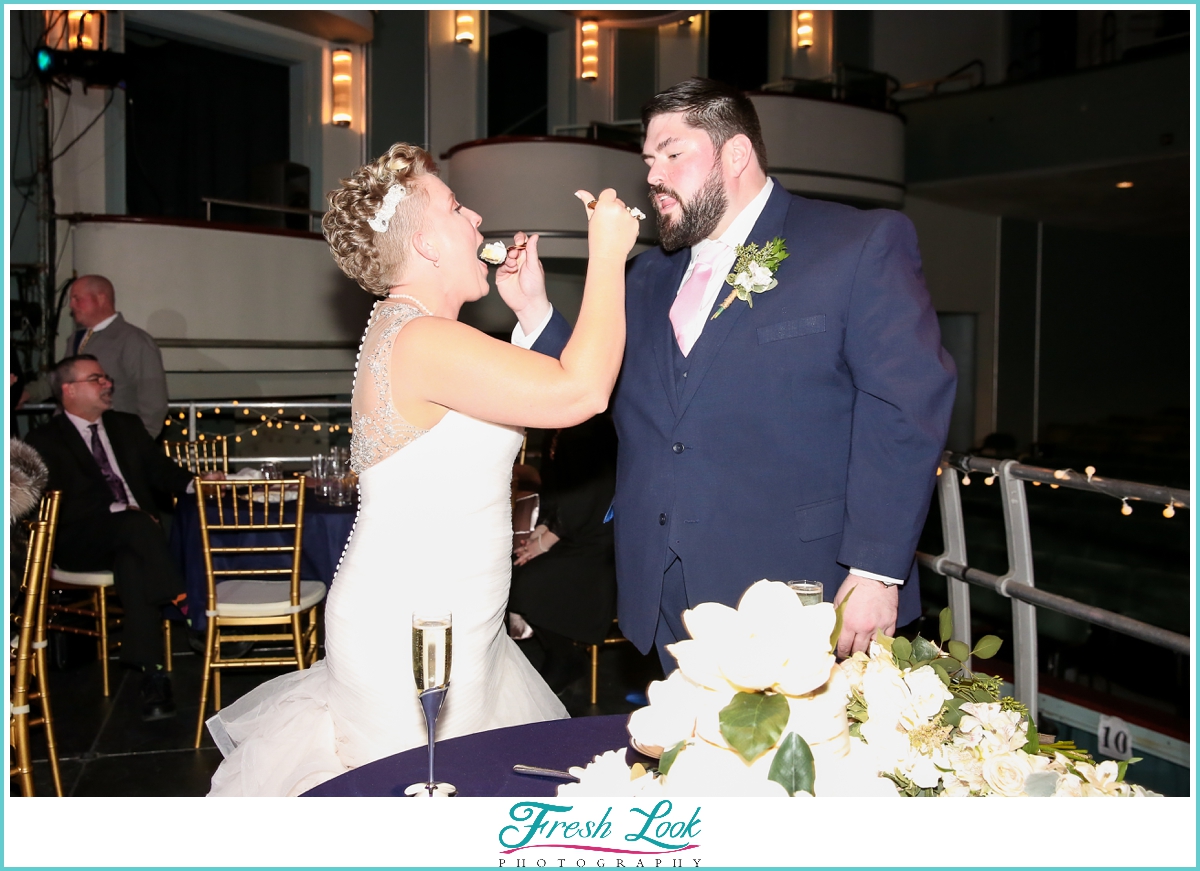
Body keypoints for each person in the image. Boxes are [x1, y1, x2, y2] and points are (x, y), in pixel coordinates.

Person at [205, 142, 639, 796]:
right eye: (456, 206)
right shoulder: (421, 339)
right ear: (429, 245)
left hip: (458, 620)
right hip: (417, 635)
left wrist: (529, 315)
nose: (476, 218)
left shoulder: (415, 332)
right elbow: (580, 393)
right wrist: (608, 254)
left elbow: (492, 419)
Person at [511, 78, 957, 667]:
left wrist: (877, 571)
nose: (653, 175)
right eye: (649, 159)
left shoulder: (855, 243)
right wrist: (534, 310)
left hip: (802, 593)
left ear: (736, 154)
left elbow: (906, 407)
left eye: (673, 153)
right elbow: (605, 390)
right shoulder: (646, 277)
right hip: (669, 591)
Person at [24, 355, 205, 721]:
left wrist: (196, 483)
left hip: (138, 544)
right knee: (137, 525)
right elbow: (55, 504)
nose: (108, 384)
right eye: (96, 379)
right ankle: (186, 602)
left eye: (106, 377)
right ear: (69, 390)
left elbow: (161, 472)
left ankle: (153, 677)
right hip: (81, 541)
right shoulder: (43, 439)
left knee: (133, 564)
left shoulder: (125, 425)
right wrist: (123, 513)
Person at [510, 414, 619, 693]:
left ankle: (566, 659)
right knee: (513, 572)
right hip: (570, 532)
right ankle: (561, 656)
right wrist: (542, 527)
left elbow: (590, 496)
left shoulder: (591, 432)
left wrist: (544, 543)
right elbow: (554, 488)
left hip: (596, 541)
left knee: (528, 582)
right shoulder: (556, 432)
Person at [67, 275, 169, 438]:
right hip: (77, 439)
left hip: (116, 439)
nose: (71, 305)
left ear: (101, 298)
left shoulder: (133, 340)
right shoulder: (76, 339)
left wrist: (138, 444)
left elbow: (153, 402)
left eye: (77, 298)